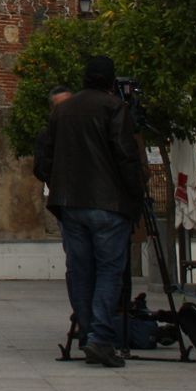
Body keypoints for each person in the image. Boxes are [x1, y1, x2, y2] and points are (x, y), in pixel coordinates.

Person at [45, 56, 145, 368]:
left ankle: (88, 334)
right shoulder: (114, 107)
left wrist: (58, 186)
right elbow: (126, 156)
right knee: (108, 271)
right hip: (108, 204)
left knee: (80, 271)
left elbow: (44, 157)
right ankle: (101, 338)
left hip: (70, 204)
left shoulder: (62, 111)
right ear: (111, 80)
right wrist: (135, 195)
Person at [33, 86, 73, 186]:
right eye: (61, 107)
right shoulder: (46, 136)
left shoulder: (86, 131)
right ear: (52, 111)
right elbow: (41, 170)